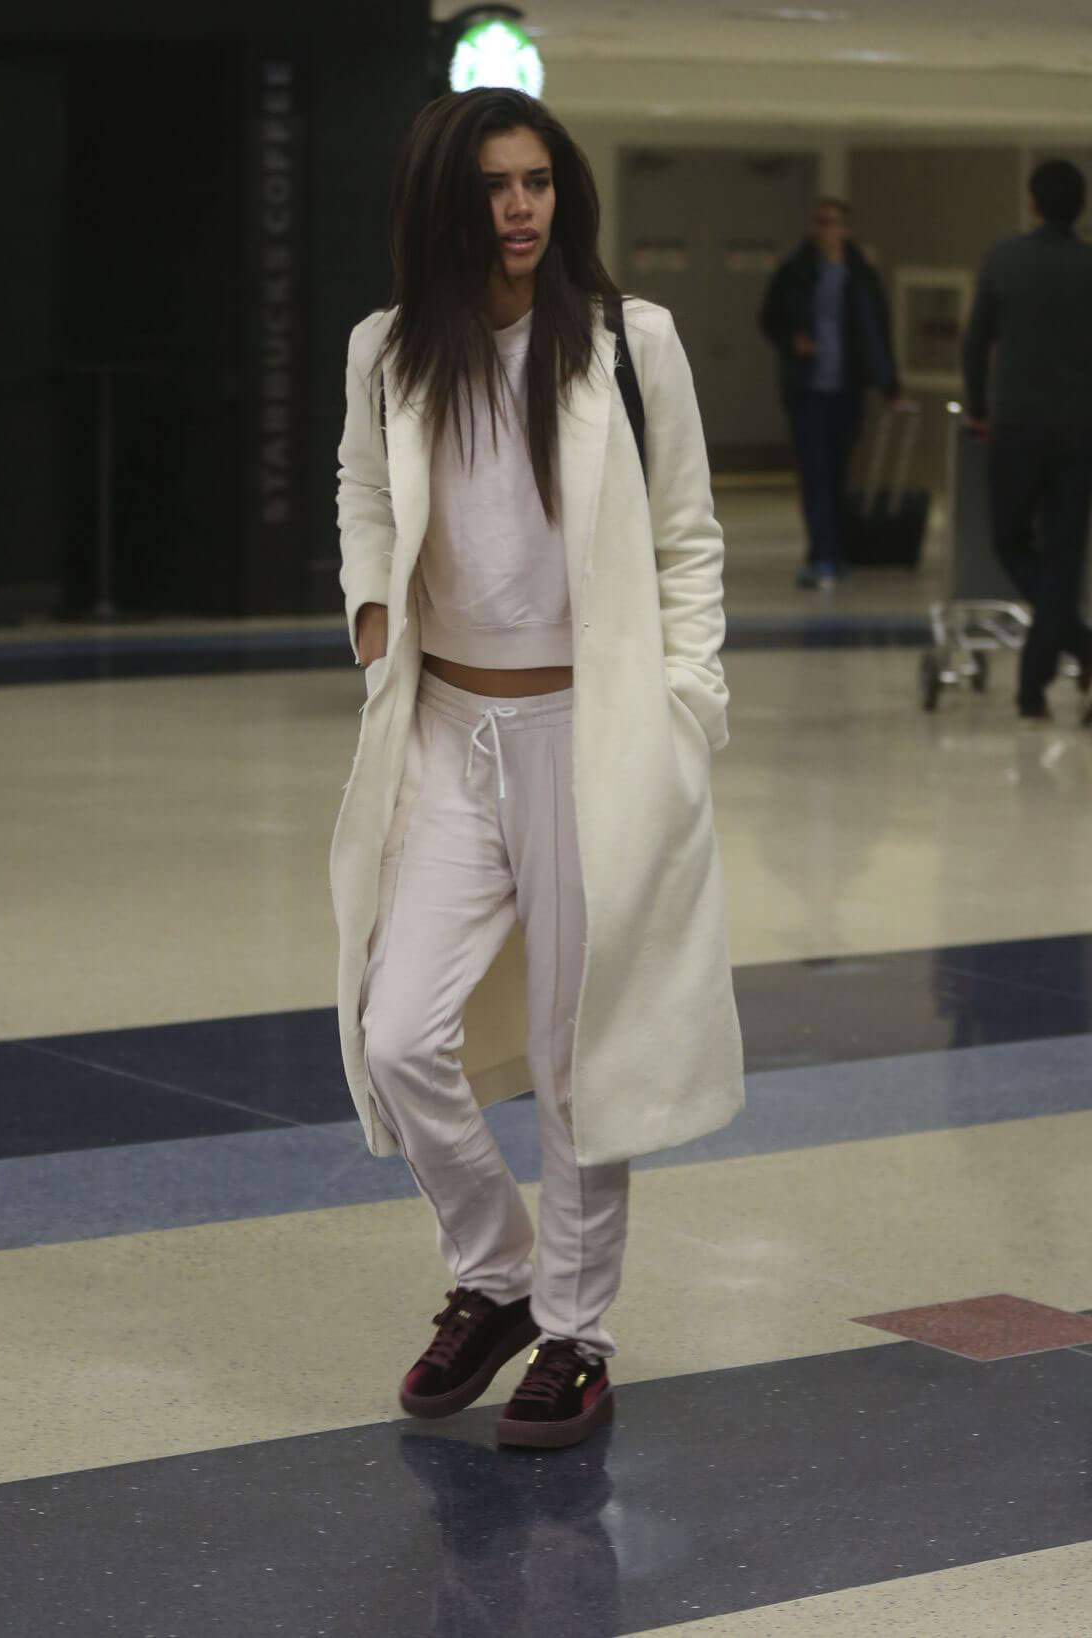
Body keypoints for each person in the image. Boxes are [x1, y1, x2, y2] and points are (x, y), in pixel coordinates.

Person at [329, 89, 744, 1452]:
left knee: (580, 1055)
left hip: (593, 732)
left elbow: (687, 535)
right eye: (497, 187)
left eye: (540, 183)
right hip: (447, 728)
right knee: (397, 1036)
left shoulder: (633, 344)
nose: (522, 208)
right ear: (448, 204)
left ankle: (575, 1330)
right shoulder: (390, 352)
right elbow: (366, 496)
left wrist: (687, 707)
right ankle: (496, 1271)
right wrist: (374, 613)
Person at [961, 158, 1092, 725]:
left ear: (1033, 203)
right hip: (1080, 431)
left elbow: (975, 342)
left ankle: (1056, 671)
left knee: (1011, 542)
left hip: (1015, 430)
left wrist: (980, 408)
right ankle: (1041, 682)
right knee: (1064, 556)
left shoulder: (1003, 259)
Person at [759, 198, 901, 589]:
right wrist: (793, 340)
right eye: (819, 222)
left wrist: (889, 384)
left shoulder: (861, 275)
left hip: (847, 388)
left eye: (833, 223)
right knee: (815, 471)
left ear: (846, 229)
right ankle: (823, 553)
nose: (825, 230)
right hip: (807, 389)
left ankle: (832, 550)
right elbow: (769, 318)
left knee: (837, 473)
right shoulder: (794, 272)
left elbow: (877, 330)